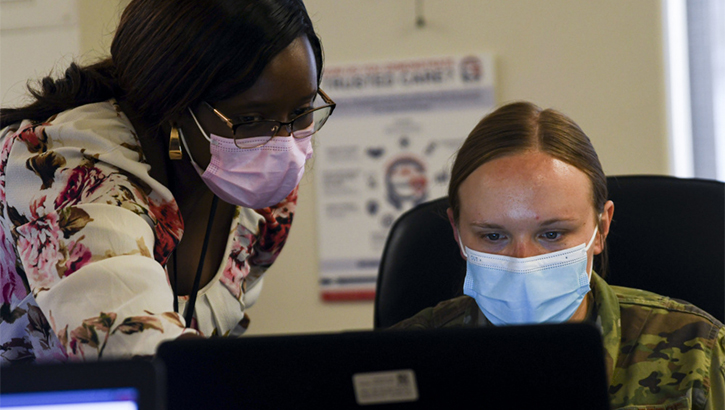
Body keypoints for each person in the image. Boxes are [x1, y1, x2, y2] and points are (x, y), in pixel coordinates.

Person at [0, 0, 335, 363]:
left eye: (301, 112)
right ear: (175, 105)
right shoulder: (71, 170)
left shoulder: (265, 192)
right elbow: (132, 350)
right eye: (251, 118)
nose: (283, 144)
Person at [391, 102, 725, 409]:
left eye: (552, 234)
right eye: (493, 236)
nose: (522, 259)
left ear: (602, 227)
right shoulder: (400, 359)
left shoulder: (695, 352)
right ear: (457, 232)